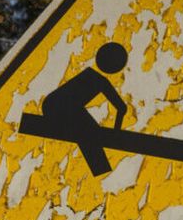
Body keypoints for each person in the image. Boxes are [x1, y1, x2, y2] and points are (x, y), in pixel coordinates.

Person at [39, 41, 130, 175]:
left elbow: (121, 107)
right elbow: (121, 108)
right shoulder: (98, 80)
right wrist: (116, 133)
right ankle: (101, 172)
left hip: (54, 105)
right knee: (90, 131)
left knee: (89, 130)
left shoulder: (90, 74)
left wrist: (115, 133)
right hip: (61, 107)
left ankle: (100, 171)